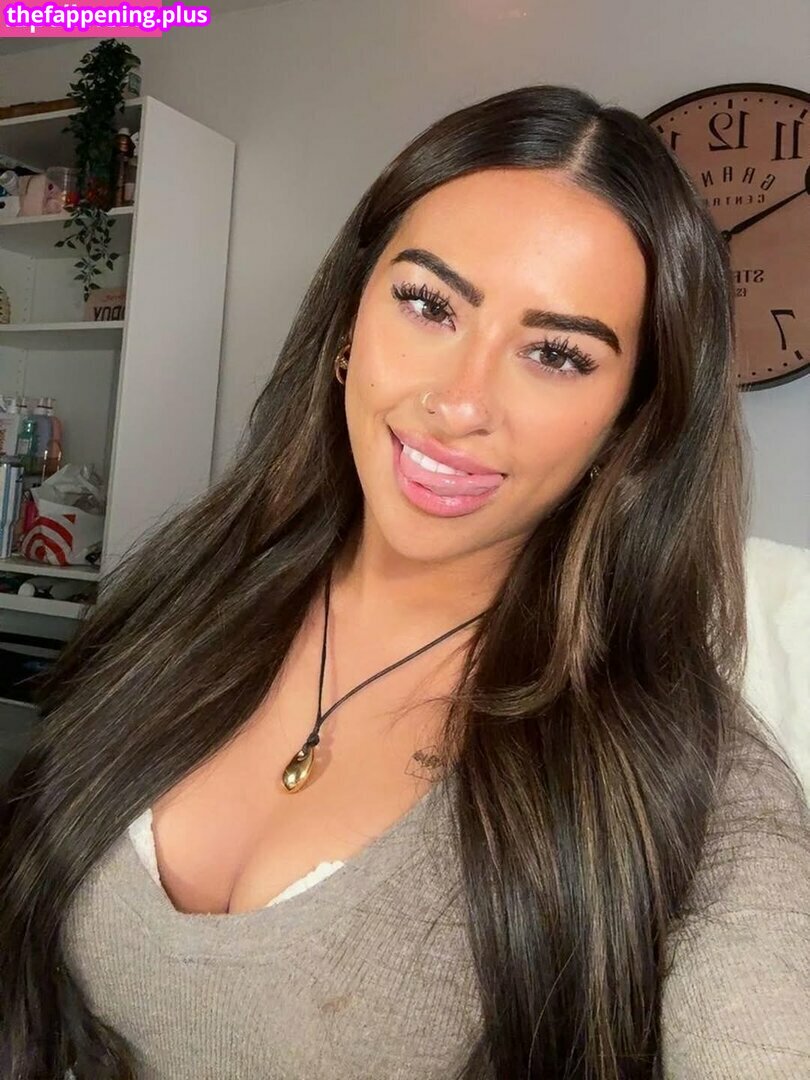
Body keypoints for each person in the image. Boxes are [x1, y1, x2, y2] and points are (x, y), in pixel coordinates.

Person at [0, 83, 807, 1080]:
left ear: (629, 423)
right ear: (349, 319)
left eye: (557, 354)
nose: (460, 402)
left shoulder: (686, 781)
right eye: (429, 305)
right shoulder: (180, 593)